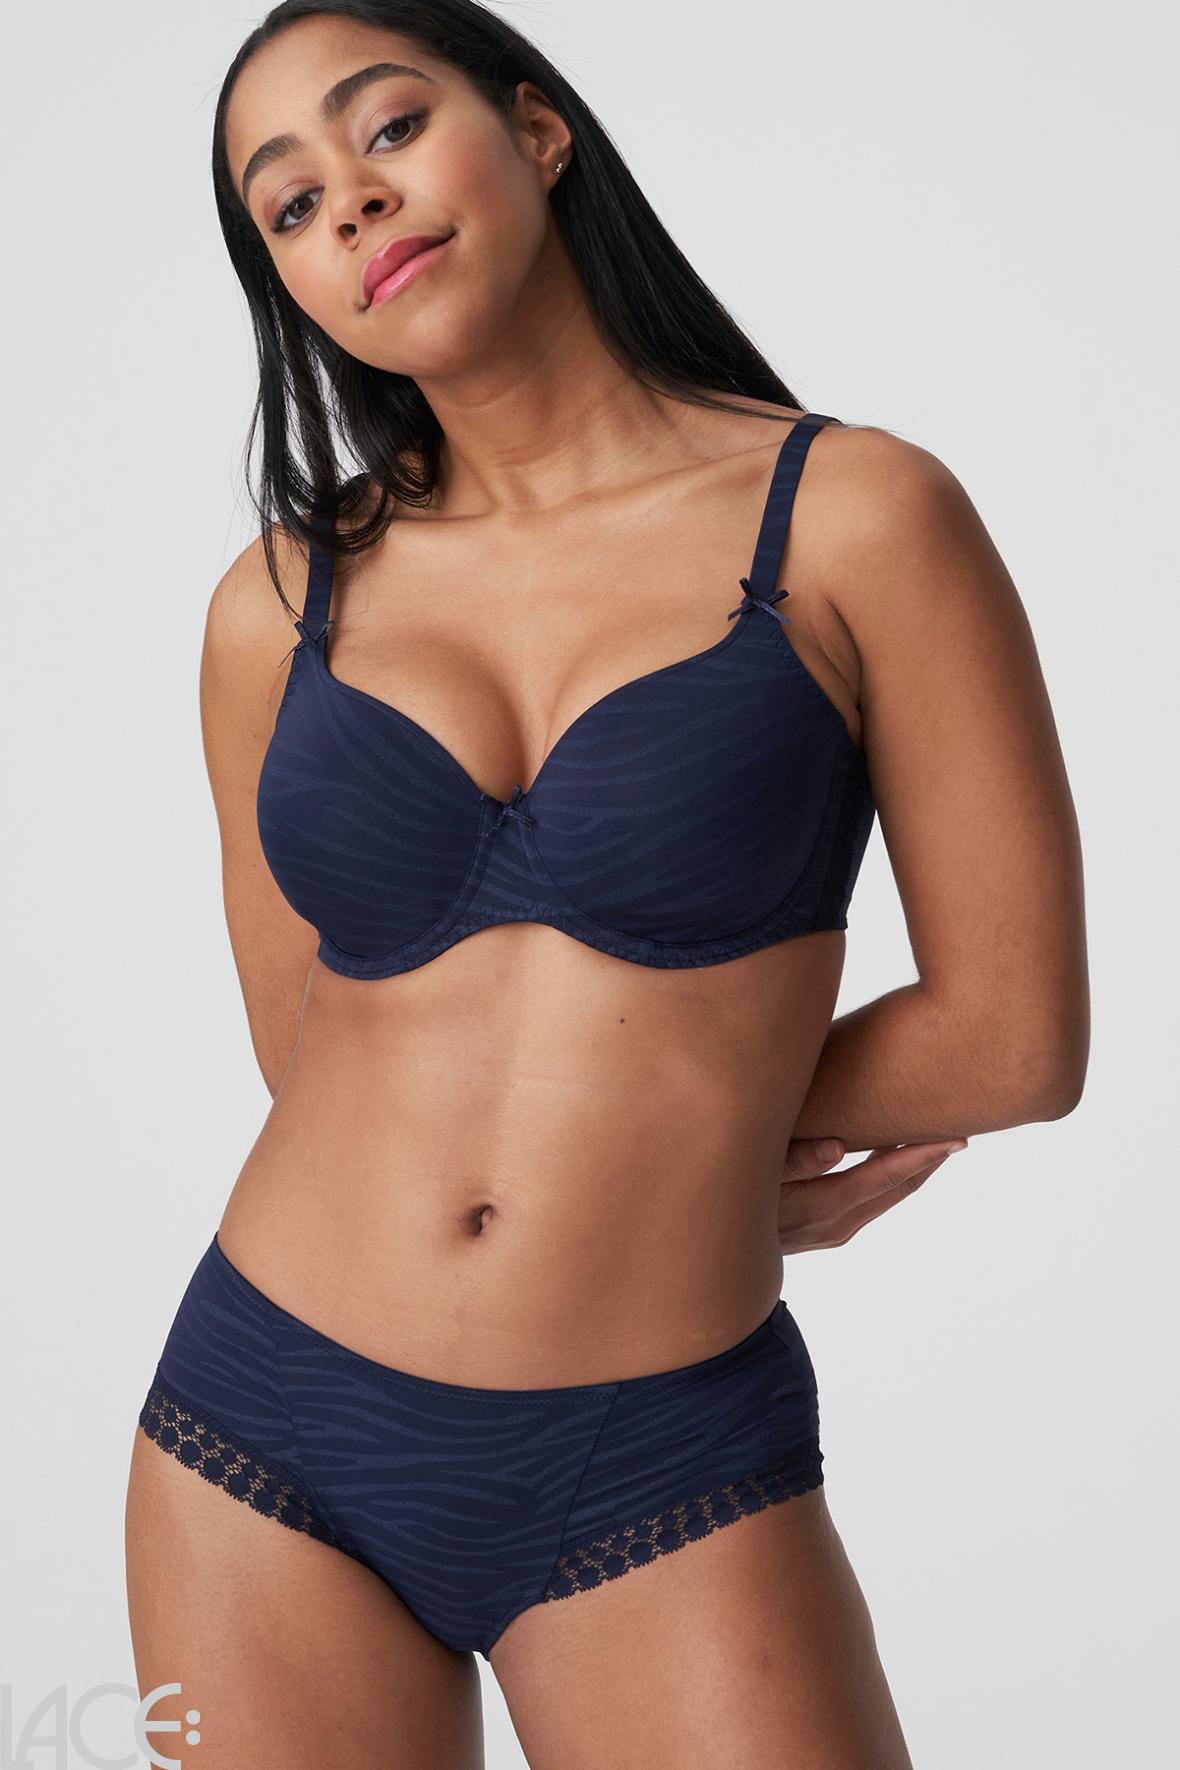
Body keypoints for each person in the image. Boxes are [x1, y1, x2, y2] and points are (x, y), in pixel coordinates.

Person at [123, 3, 1089, 1764]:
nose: (351, 202)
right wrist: (656, 1133)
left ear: (538, 129)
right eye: (290, 204)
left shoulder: (857, 517)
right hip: (261, 1427)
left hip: (657, 1454)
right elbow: (309, 1048)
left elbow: (1016, 1032)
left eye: (387, 129)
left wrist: (682, 1137)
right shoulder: (276, 605)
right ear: (293, 284)